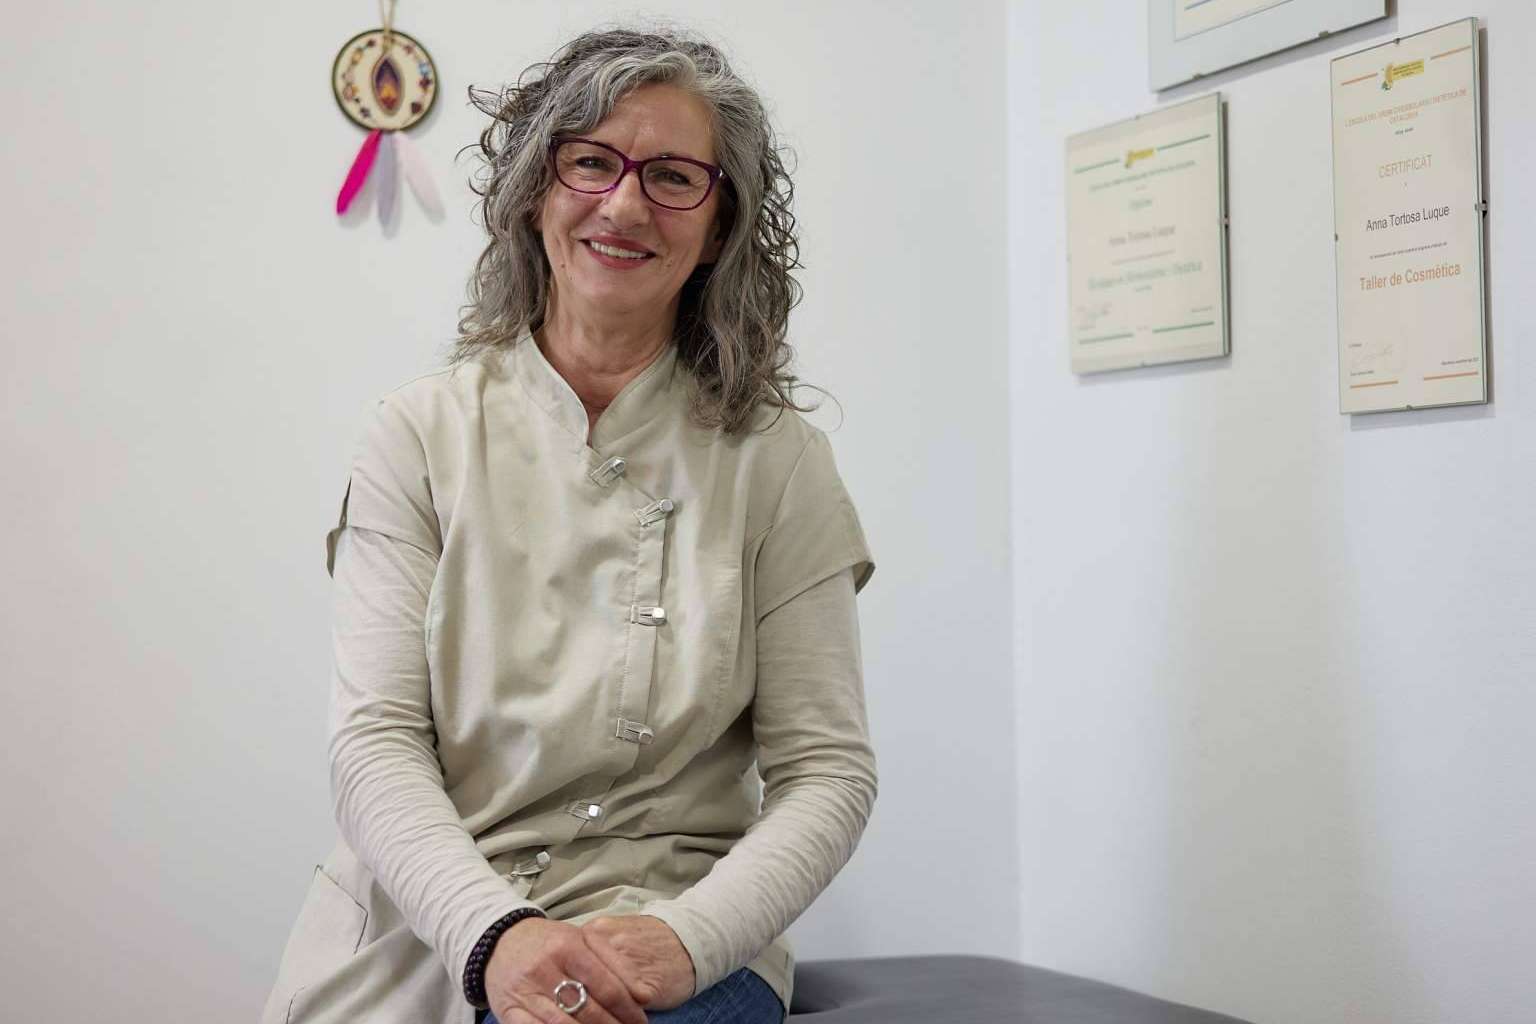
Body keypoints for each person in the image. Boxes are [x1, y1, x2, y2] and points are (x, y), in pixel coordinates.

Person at [260, 26, 877, 1024]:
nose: (624, 204)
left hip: (670, 933)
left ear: (719, 223)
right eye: (591, 162)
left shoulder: (780, 461)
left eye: (673, 176)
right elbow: (375, 743)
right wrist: (494, 936)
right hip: (431, 929)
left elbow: (828, 772)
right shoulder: (418, 437)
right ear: (535, 192)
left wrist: (690, 939)